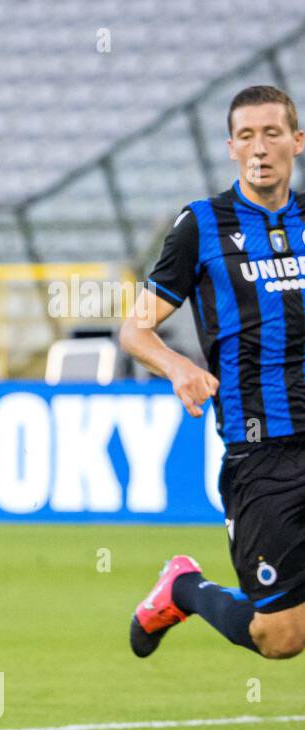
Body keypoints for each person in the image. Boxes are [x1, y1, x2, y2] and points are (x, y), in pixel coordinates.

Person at [121, 85, 305, 662]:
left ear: (297, 142)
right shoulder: (201, 226)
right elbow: (135, 329)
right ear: (230, 147)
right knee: (279, 639)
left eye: (272, 133)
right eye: (246, 136)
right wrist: (178, 367)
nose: (260, 148)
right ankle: (183, 588)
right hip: (261, 453)